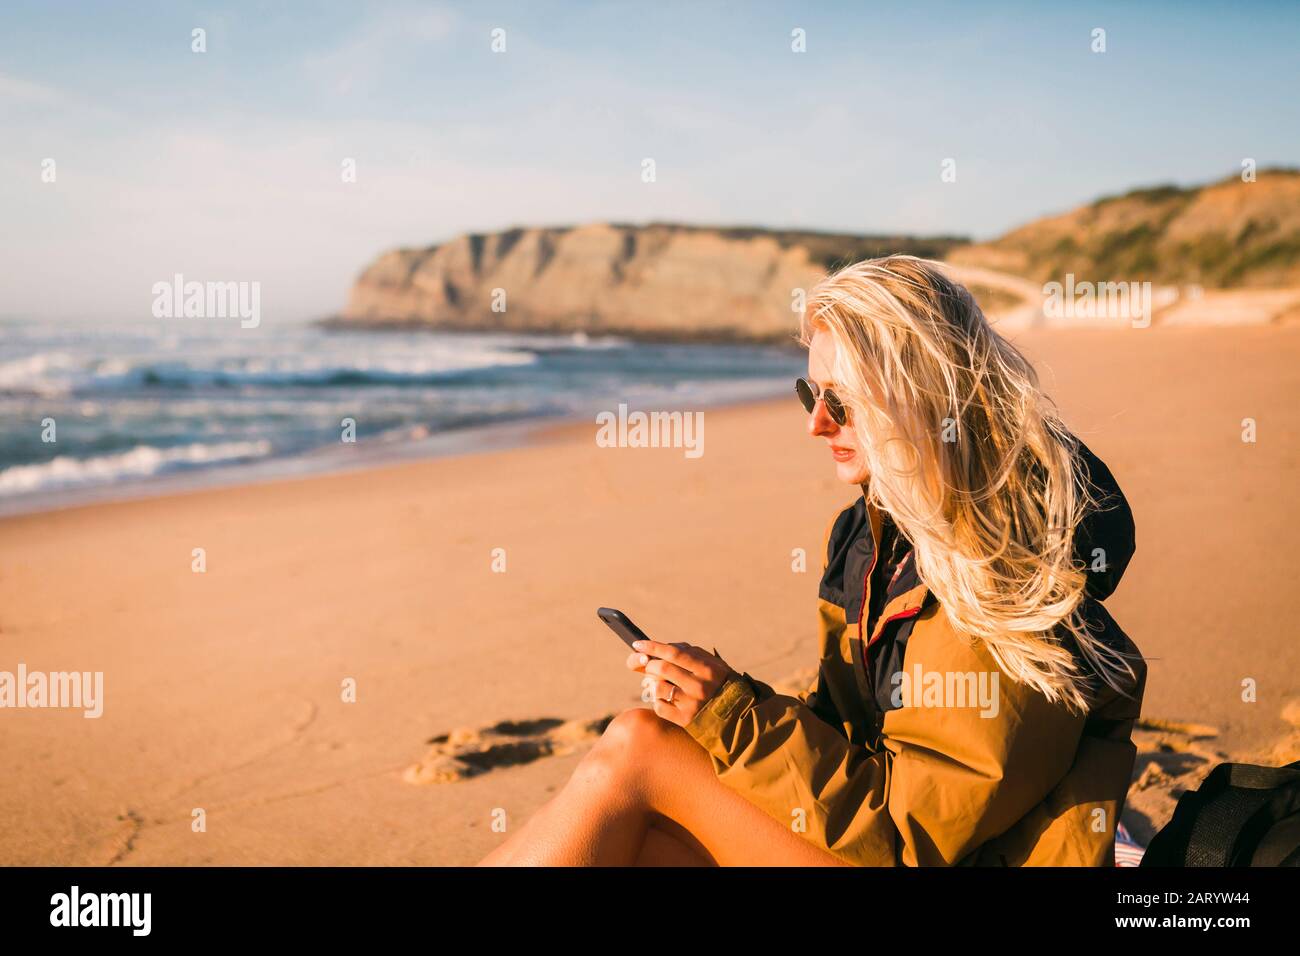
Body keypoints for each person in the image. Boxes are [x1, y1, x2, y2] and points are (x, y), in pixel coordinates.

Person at [478, 255, 1146, 866]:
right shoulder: (873, 531)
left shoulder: (997, 565)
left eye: (842, 401)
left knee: (638, 749)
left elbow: (917, 832)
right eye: (810, 393)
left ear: (926, 395)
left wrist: (735, 719)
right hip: (875, 842)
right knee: (642, 843)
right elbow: (852, 733)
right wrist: (718, 702)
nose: (816, 423)